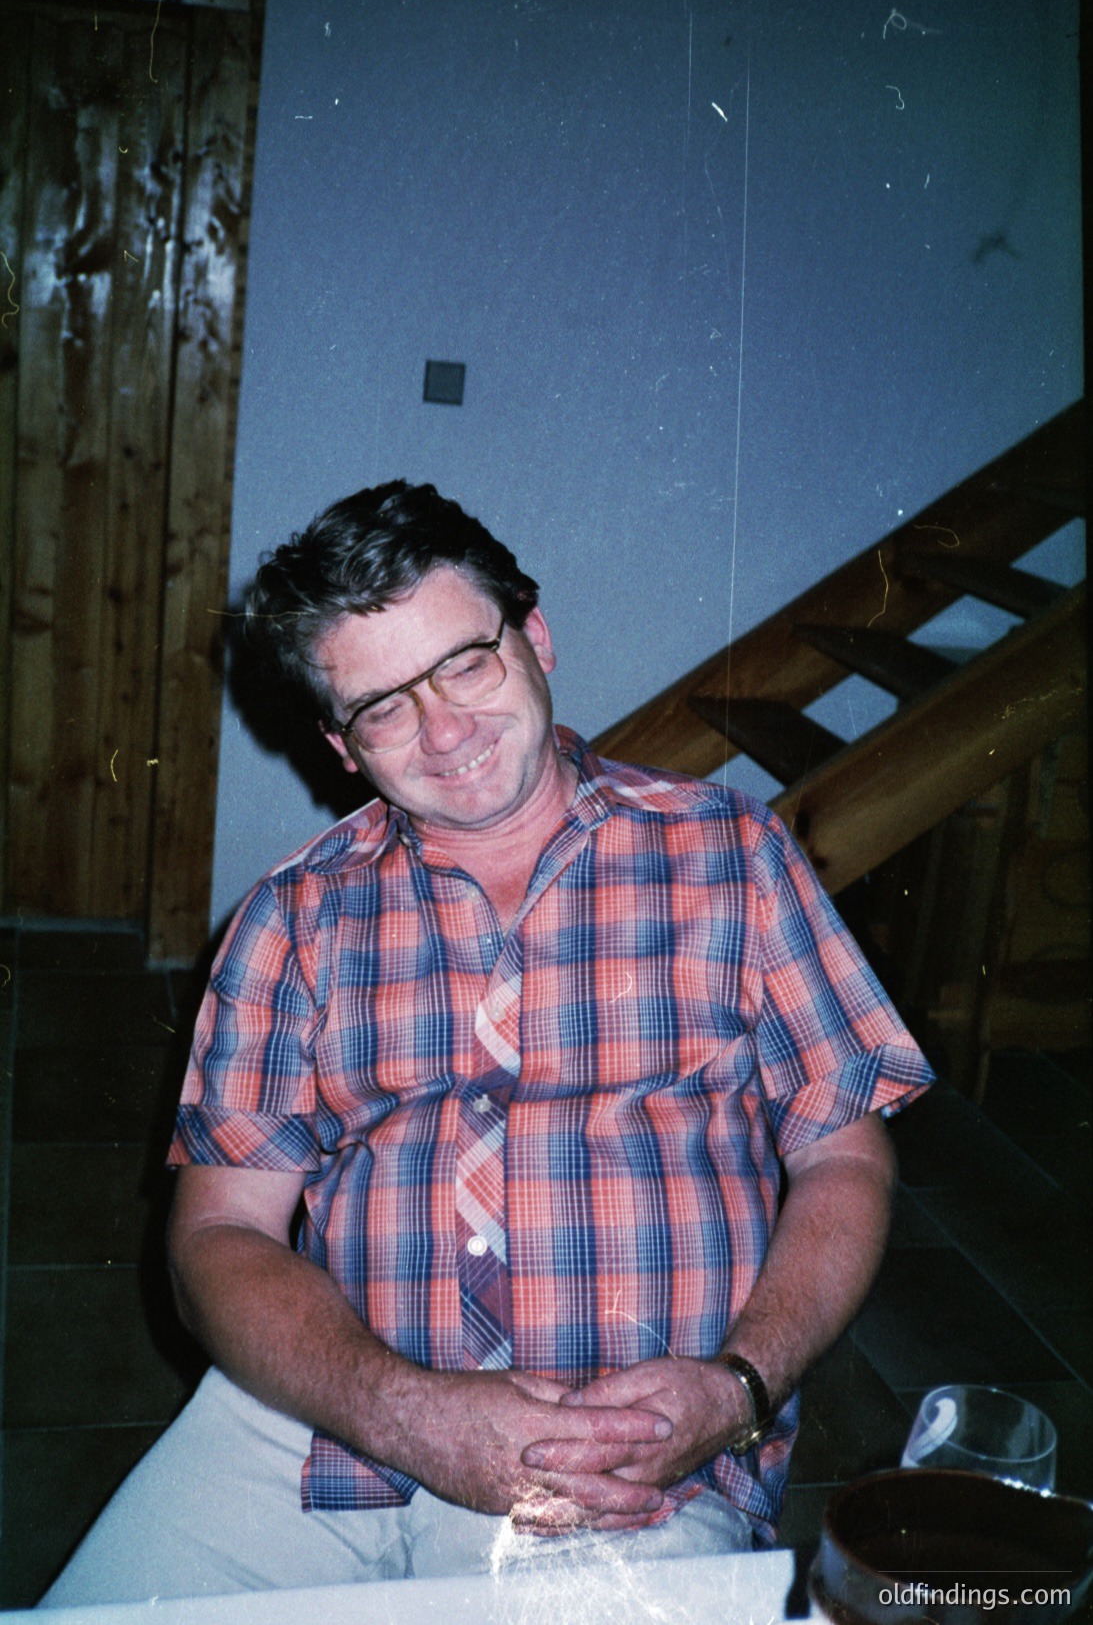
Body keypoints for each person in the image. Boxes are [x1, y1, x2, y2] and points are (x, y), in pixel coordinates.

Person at [42, 482, 932, 1606]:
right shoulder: (291, 918)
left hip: (623, 1447)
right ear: (342, 746)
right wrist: (405, 1413)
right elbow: (216, 1236)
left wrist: (736, 1389)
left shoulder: (733, 854)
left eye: (465, 663)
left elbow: (843, 1157)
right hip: (321, 1418)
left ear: (535, 636)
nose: (444, 730)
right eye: (384, 706)